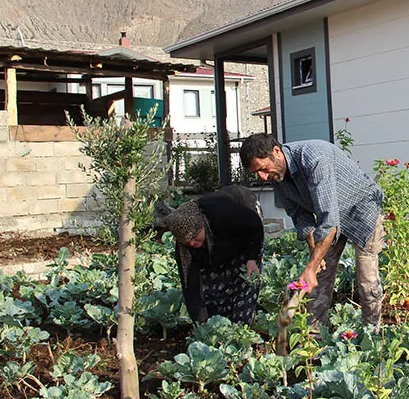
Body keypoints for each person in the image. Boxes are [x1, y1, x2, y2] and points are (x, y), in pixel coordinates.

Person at [239, 133, 384, 327]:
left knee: (367, 278)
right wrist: (314, 253)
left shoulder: (315, 158)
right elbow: (300, 214)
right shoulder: (277, 176)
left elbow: (329, 222)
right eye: (257, 173)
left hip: (363, 209)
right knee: (320, 275)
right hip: (331, 216)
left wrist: (311, 266)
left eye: (263, 169)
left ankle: (371, 335)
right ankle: (315, 337)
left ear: (276, 151)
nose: (263, 177)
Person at [163, 185, 264, 324]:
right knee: (211, 286)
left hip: (245, 227)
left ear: (202, 225)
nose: (192, 243)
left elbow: (254, 225)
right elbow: (191, 287)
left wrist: (252, 258)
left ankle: (241, 326)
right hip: (218, 245)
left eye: (195, 237)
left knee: (245, 278)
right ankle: (221, 324)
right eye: (187, 242)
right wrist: (202, 324)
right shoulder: (184, 249)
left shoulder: (224, 215)